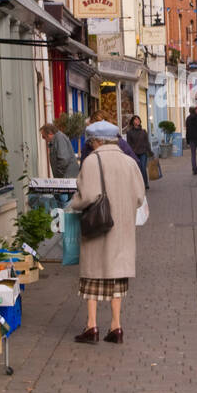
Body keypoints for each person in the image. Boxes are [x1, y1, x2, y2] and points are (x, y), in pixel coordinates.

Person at [67, 120, 146, 344]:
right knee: (117, 277)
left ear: (97, 140)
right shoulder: (130, 162)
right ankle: (116, 326)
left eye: (91, 141)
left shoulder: (92, 161)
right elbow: (140, 197)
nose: (90, 145)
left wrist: (74, 203)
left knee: (93, 275)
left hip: (98, 226)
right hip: (122, 228)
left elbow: (87, 196)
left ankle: (91, 326)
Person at [124, 115, 153, 190]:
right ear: (133, 122)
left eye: (138, 119)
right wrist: (129, 154)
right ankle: (138, 184)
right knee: (137, 168)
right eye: (135, 120)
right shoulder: (129, 132)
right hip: (135, 153)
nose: (137, 121)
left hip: (143, 152)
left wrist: (150, 152)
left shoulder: (143, 131)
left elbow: (147, 142)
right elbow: (129, 144)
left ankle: (145, 183)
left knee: (143, 168)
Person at [186, 104, 197, 175]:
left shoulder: (188, 119)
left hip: (191, 138)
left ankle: (194, 170)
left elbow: (187, 130)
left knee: (193, 154)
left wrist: (187, 139)